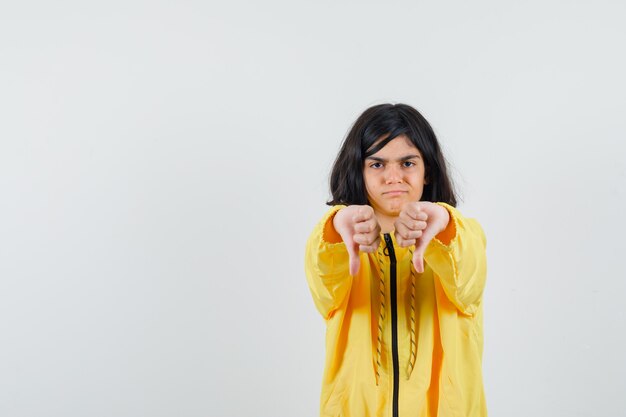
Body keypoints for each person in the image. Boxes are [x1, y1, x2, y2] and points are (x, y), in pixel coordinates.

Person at [304, 103, 488, 417]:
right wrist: (336, 226)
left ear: (427, 168)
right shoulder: (335, 241)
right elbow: (324, 284)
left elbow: (468, 281)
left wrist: (443, 221)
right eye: (376, 164)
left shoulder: (461, 235)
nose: (393, 177)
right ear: (359, 170)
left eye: (407, 163)